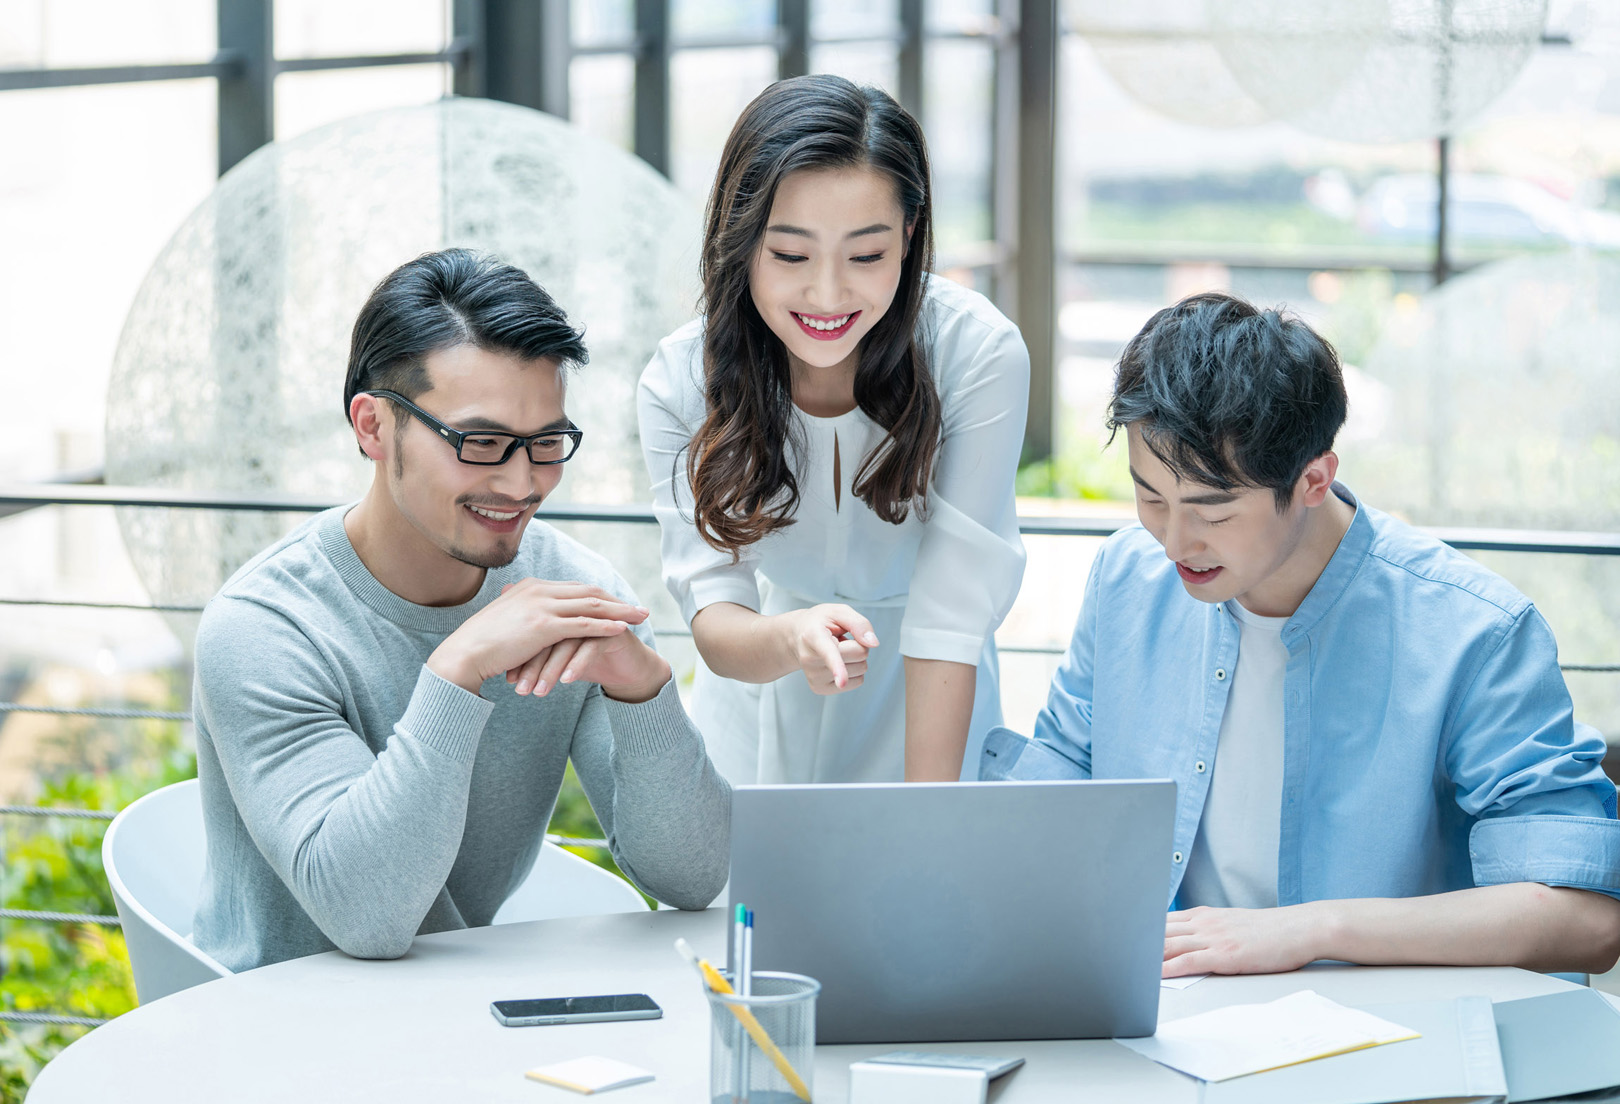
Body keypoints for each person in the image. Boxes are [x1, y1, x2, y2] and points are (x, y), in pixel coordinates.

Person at [982, 291, 1620, 977]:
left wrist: (1316, 929)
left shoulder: (1476, 632)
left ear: (1314, 479)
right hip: (1174, 1020)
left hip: (1393, 1042)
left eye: (1212, 510)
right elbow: (1053, 806)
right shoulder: (1126, 580)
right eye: (1149, 497)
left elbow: (1582, 917)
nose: (1173, 540)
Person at [192, 249, 730, 972]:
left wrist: (643, 690)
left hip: (457, 1016)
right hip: (275, 1036)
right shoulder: (264, 629)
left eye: (546, 443)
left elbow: (692, 878)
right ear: (374, 427)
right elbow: (368, 919)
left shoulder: (574, 593)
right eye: (480, 443)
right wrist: (456, 669)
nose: (521, 482)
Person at [638, 74, 1028, 785]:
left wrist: (924, 823)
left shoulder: (977, 355)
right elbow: (715, 611)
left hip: (932, 698)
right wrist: (790, 639)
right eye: (789, 255)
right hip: (762, 688)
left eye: (866, 255)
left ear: (910, 235)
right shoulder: (682, 380)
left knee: (925, 884)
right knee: (757, 893)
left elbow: (949, 617)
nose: (826, 294)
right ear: (742, 238)